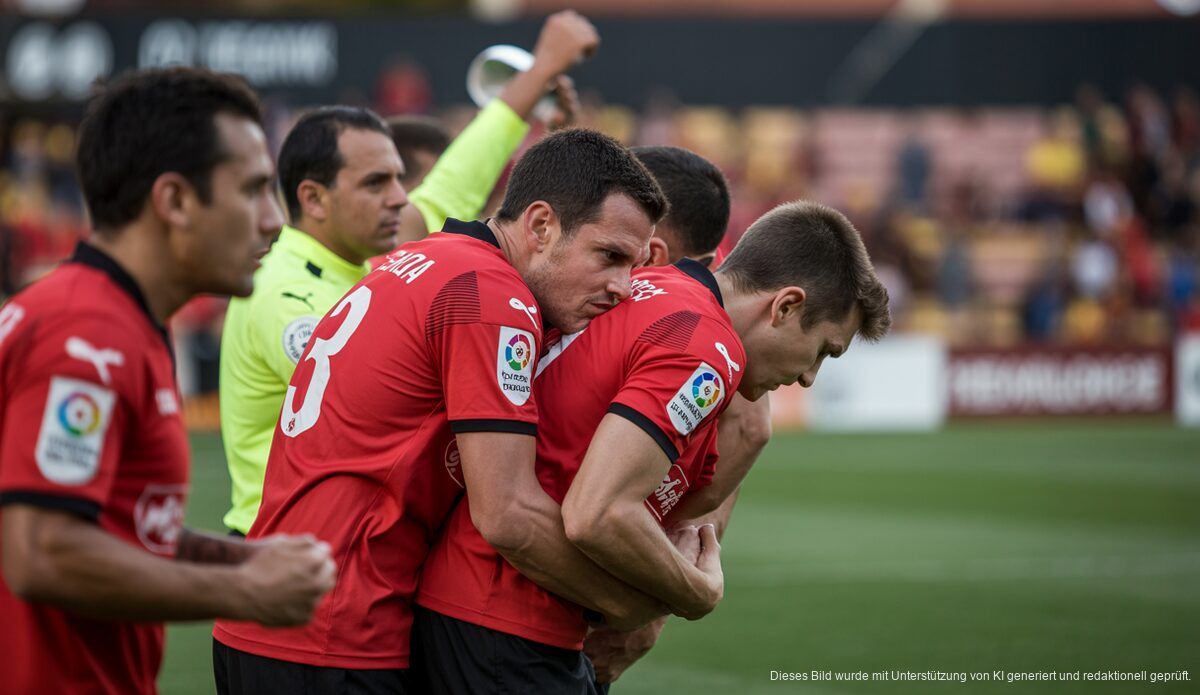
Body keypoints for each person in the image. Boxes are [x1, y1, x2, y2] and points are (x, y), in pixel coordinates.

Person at [212, 128, 710, 694]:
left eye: (636, 264)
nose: (624, 286)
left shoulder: (424, 258)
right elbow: (509, 515)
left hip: (271, 618)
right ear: (542, 226)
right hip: (335, 630)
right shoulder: (492, 294)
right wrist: (638, 601)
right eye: (610, 256)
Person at [414, 198, 891, 694]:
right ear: (786, 305)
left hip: (481, 608)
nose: (811, 377)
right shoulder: (707, 346)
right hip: (504, 623)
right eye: (823, 350)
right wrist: (694, 592)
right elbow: (598, 513)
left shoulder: (663, 289)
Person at [0, 67, 336, 695]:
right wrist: (244, 590)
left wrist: (238, 555)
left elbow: (112, 524)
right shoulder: (87, 336)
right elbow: (42, 551)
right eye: (254, 191)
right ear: (176, 201)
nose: (272, 221)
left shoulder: (113, 320)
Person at [219, 9, 597, 537]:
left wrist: (539, 91)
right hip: (281, 544)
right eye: (376, 184)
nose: (400, 199)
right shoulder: (284, 292)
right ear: (314, 198)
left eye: (400, 179)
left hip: (343, 539)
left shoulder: (361, 258)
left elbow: (453, 184)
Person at [585, 145, 774, 687]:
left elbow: (749, 428)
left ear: (652, 250)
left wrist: (656, 593)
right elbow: (749, 432)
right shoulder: (707, 319)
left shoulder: (693, 329)